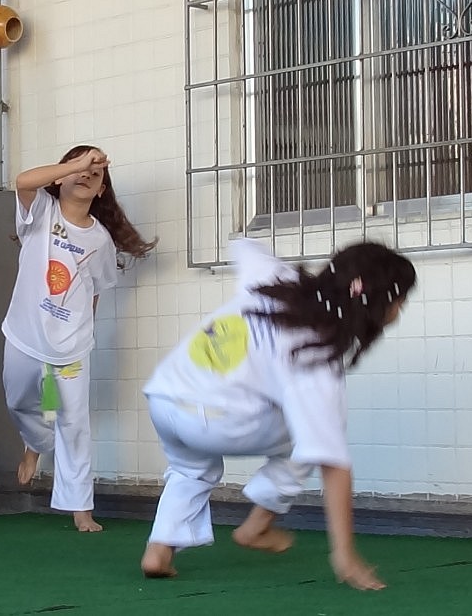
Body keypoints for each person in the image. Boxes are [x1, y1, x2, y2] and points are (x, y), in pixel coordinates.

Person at [138, 238, 416, 590]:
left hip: (164, 398)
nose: (400, 311)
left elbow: (243, 245)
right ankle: (257, 526)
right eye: (400, 301)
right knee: (311, 437)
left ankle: (159, 551)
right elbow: (332, 462)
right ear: (375, 304)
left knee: (191, 469)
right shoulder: (314, 354)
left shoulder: (276, 277)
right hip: (216, 420)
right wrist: (345, 554)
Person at [2, 145, 156, 532]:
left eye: (95, 173)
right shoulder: (41, 211)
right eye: (78, 168)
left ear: (101, 190)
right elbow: (23, 181)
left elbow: (95, 290)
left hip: (71, 344)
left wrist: (81, 332)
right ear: (60, 177)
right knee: (20, 400)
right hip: (24, 334)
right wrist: (78, 164)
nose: (86, 174)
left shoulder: (100, 240)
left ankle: (80, 507)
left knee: (73, 423)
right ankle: (36, 443)